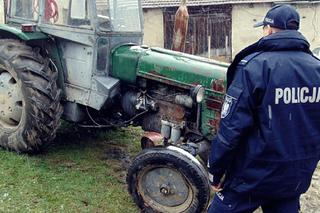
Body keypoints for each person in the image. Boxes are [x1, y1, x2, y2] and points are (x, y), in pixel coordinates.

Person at [207, 4, 320, 213]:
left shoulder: (254, 67)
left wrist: (216, 169)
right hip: (294, 177)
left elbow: (231, 129)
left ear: (268, 29)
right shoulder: (317, 69)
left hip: (253, 176)